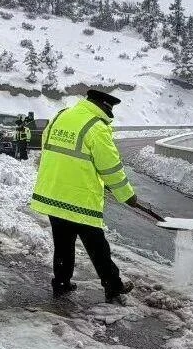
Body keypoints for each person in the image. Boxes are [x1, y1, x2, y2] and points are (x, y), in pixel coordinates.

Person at [30, 89, 140, 303]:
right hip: (79, 200)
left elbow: (50, 147)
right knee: (97, 246)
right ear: (104, 106)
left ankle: (61, 283)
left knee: (63, 243)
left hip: (53, 193)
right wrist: (127, 195)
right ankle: (113, 286)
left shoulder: (61, 115)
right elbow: (110, 168)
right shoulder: (96, 127)